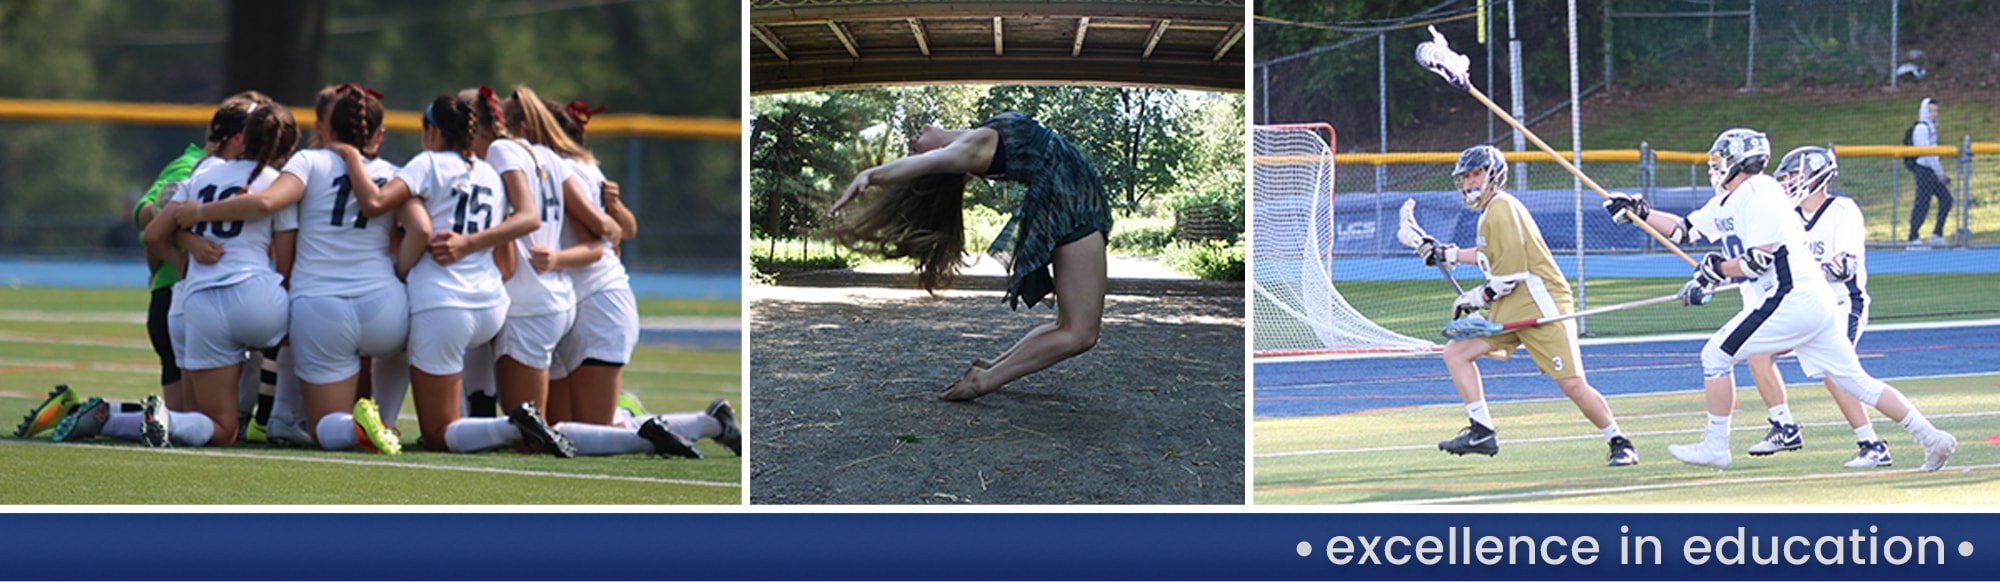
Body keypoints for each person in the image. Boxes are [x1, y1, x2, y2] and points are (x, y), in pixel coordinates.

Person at [1603, 128, 1957, 471]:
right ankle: (1932, 437)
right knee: (1856, 382)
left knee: (1714, 355)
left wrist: (1719, 269)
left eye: (1719, 158)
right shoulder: (1732, 198)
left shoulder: (1760, 191)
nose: (1713, 166)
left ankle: (1715, 446)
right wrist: (1640, 213)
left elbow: (1759, 259)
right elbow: (1685, 230)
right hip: (1811, 303)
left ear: (1738, 160)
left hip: (1792, 296)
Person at [176, 83, 414, 454]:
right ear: (379, 134)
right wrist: (400, 273)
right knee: (409, 341)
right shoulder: (398, 172)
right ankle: (387, 420)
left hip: (322, 308)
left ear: (325, 129)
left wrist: (200, 213)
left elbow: (268, 200)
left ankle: (353, 427)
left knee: (324, 427)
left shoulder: (308, 161)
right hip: (386, 307)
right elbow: (422, 230)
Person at [336, 94, 571, 457]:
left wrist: (351, 156)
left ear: (432, 130)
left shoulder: (427, 163)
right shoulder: (490, 173)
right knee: (442, 384)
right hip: (490, 303)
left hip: (444, 303)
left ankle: (511, 425)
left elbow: (376, 203)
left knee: (436, 433)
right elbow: (506, 260)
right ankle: (506, 420)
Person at [829, 112, 1109, 402]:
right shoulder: (973, 148)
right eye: (914, 150)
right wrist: (870, 175)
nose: (912, 140)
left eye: (912, 146)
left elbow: (932, 161)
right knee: (1080, 333)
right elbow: (929, 163)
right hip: (1073, 203)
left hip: (1071, 198)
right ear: (941, 156)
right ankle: (984, 381)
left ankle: (990, 368)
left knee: (1068, 325)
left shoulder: (977, 141)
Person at [1413, 145, 1637, 466]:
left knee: (1571, 384)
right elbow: (1487, 256)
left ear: (1494, 175)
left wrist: (1474, 298)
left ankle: (1620, 442)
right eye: (1465, 177)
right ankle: (1482, 430)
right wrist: (1447, 254)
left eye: (1475, 174)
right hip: (1510, 308)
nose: (1469, 183)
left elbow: (1509, 277)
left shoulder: (1502, 207)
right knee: (1456, 351)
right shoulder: (1490, 212)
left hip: (1540, 306)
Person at [134, 102, 302, 448]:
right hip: (256, 298)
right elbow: (286, 267)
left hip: (201, 304)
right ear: (288, 149)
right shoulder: (277, 184)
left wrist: (182, 255)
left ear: (244, 138)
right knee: (319, 333)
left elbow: (152, 235)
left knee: (220, 428)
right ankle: (282, 417)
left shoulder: (201, 177)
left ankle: (166, 418)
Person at [1904, 97, 1952, 247]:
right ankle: (1913, 238)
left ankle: (1937, 234)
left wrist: (1938, 171)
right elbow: (1927, 154)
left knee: (1946, 200)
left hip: (1931, 171)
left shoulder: (1931, 128)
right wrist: (1939, 173)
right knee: (1922, 204)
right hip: (1924, 171)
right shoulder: (1922, 128)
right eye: (1930, 110)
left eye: (1936, 110)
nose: (1934, 113)